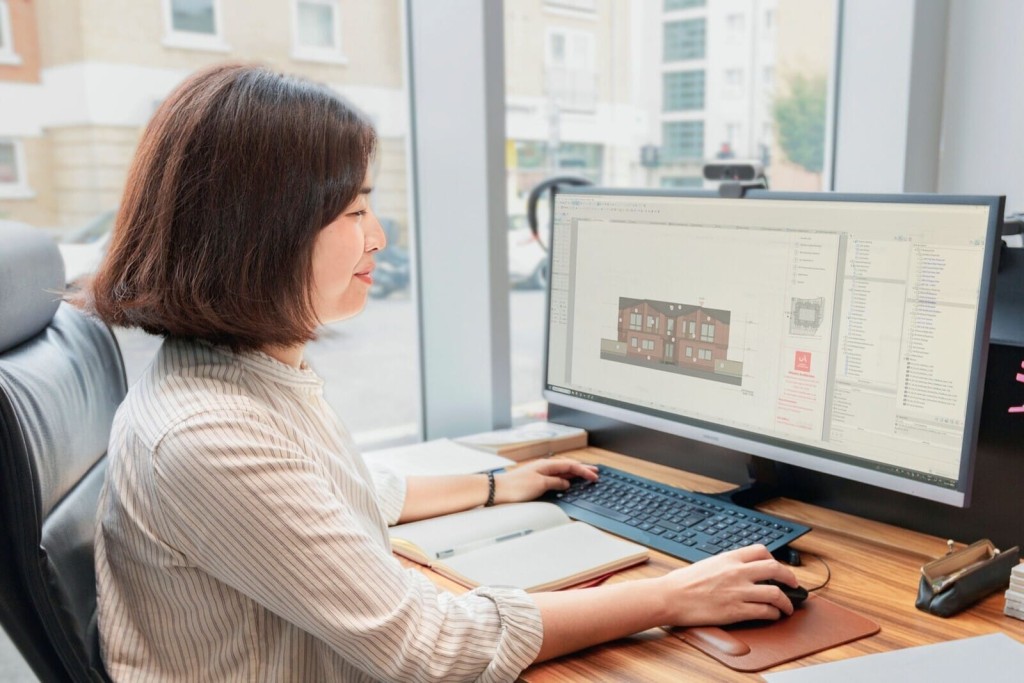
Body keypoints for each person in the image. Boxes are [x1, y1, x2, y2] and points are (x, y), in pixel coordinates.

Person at [86, 63, 798, 682]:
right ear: (262, 234)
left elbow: (328, 494)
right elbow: (431, 648)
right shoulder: (205, 433)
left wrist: (494, 487)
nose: (378, 237)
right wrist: (673, 595)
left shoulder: (239, 376)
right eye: (355, 209)